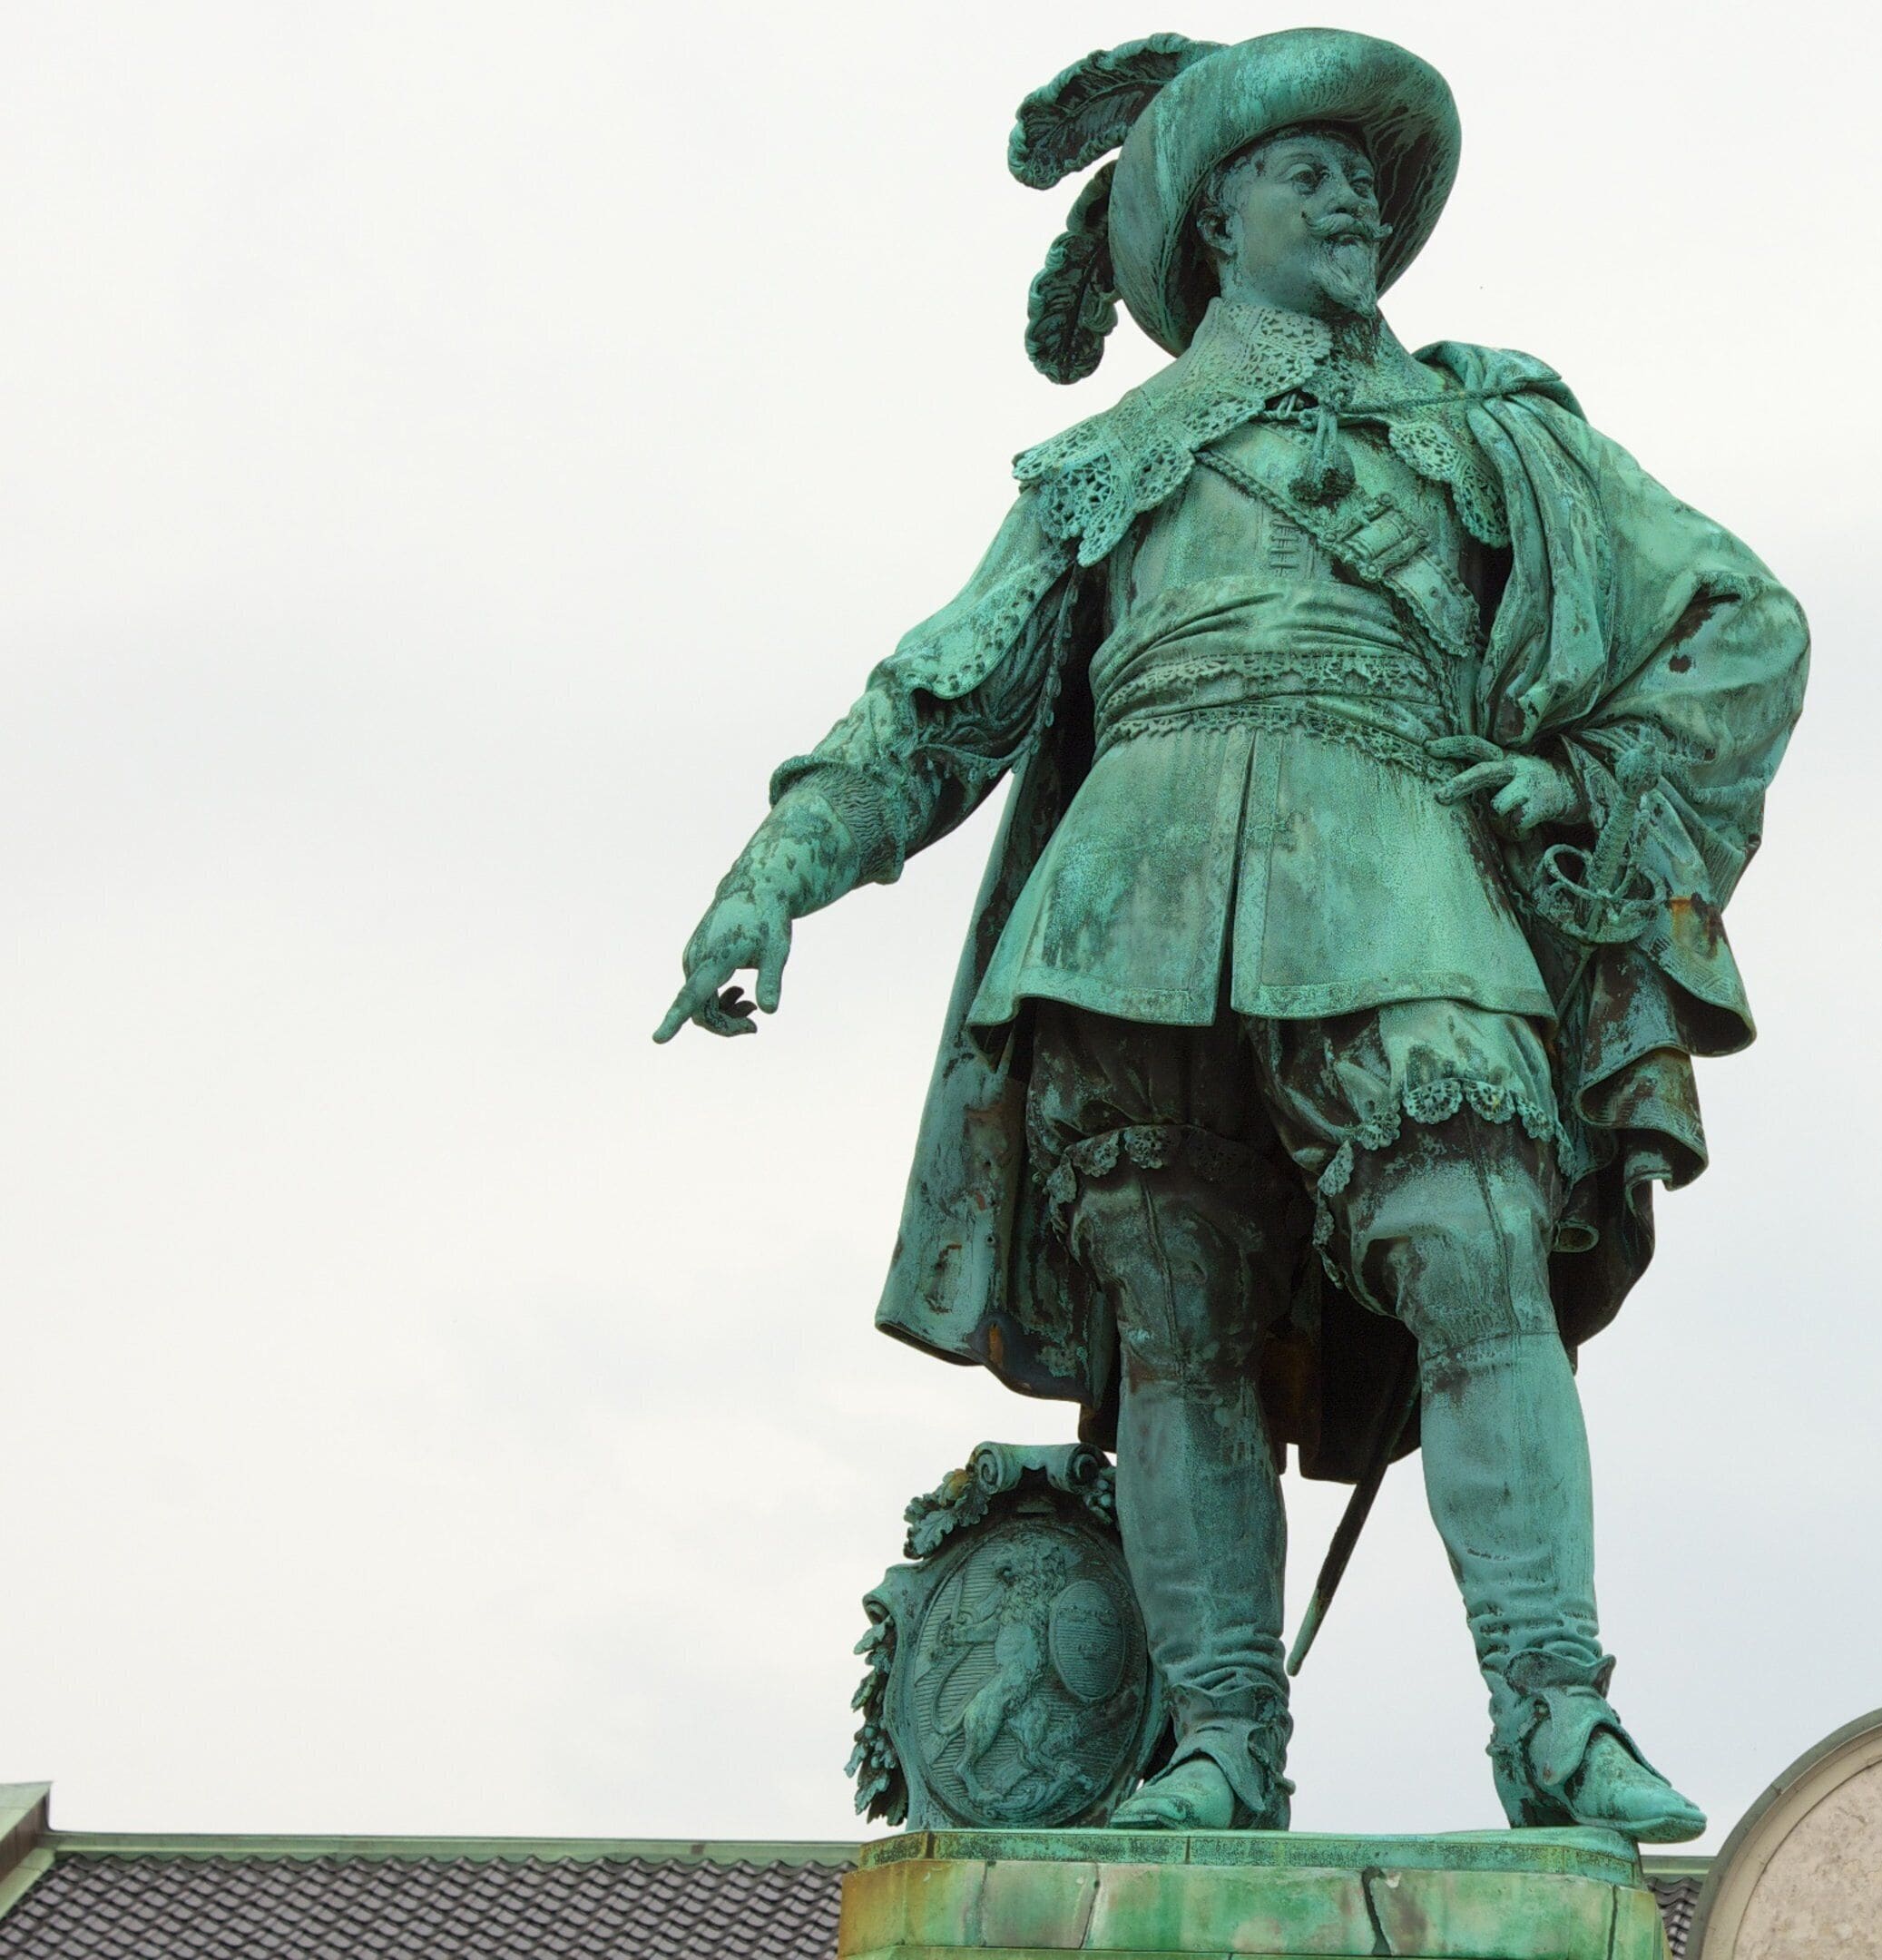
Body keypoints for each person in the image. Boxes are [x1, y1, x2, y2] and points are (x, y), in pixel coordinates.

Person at [655, 29, 1806, 1843]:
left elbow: (1743, 620)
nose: (1352, 195)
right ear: (1211, 219)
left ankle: (1559, 1717)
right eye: (1304, 169)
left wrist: (1588, 783)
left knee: (1477, 1253)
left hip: (1402, 869)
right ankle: (1216, 1749)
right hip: (1131, 902)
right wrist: (775, 872)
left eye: (1363, 171)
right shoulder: (1104, 465)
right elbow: (939, 699)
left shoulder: (1492, 437)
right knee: (1176, 1326)